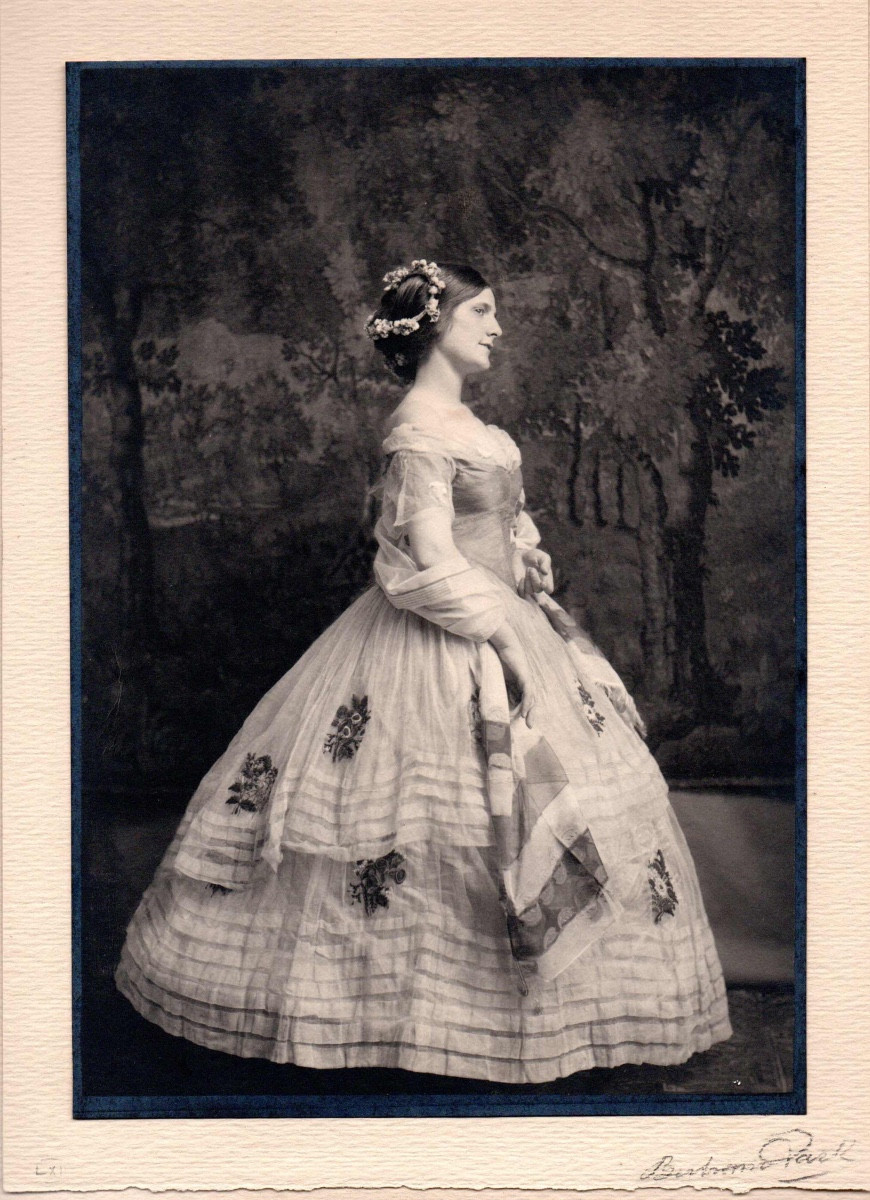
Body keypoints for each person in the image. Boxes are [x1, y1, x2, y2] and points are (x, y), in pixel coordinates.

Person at [115, 259, 732, 1084]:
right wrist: (502, 639)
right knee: (420, 825)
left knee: (537, 805)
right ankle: (403, 1028)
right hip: (435, 644)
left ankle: (542, 1025)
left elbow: (497, 525)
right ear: (434, 326)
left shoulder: (476, 430)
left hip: (508, 623)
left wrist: (525, 560)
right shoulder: (418, 430)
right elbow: (426, 557)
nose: (496, 328)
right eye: (481, 312)